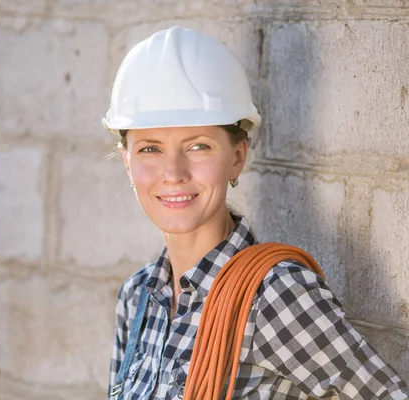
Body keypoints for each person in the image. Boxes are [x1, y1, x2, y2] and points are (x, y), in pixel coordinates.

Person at [102, 26, 409, 400]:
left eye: (198, 146)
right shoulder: (137, 298)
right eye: (150, 149)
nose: (174, 173)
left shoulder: (275, 294)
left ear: (236, 158)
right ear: (127, 163)